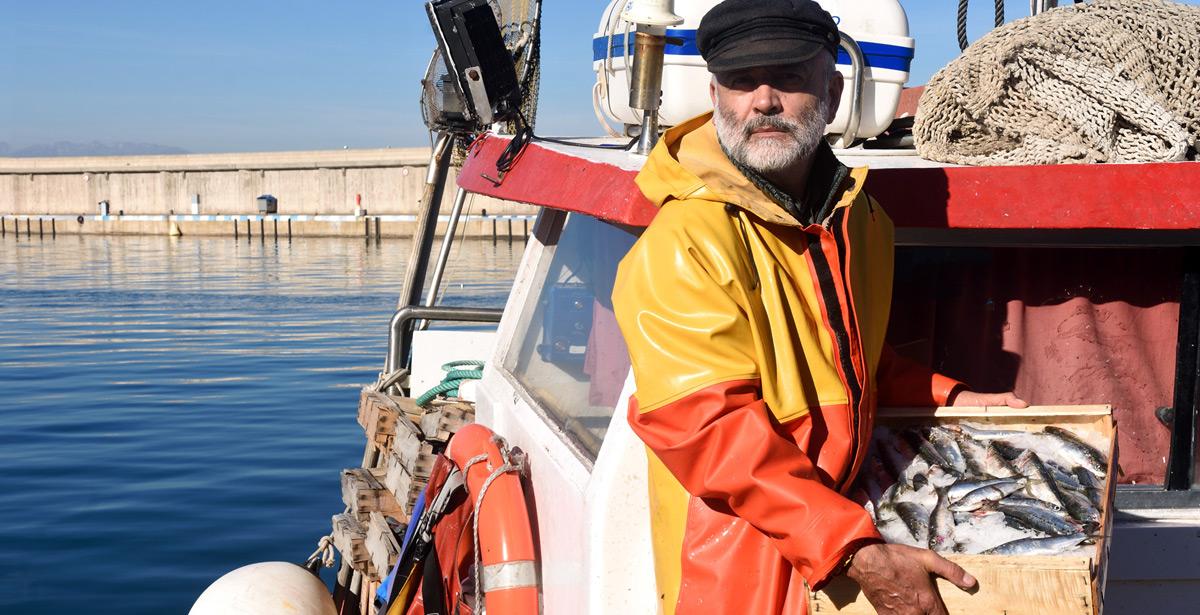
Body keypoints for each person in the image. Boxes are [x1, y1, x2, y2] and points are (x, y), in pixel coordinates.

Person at [610, 1, 1027, 614]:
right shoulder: (681, 244)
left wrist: (950, 397)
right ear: (715, 94)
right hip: (742, 566)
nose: (763, 101)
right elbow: (709, 432)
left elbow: (840, 359)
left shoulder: (861, 221)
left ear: (831, 91)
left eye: (790, 77)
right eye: (740, 81)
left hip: (841, 532)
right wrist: (855, 548)